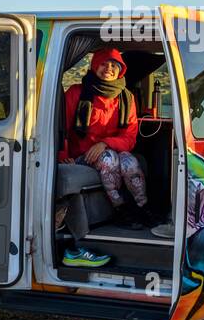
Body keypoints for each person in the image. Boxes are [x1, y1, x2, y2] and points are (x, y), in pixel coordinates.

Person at [58, 47, 160, 267]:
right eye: (104, 64)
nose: (109, 69)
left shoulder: (126, 97)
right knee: (109, 160)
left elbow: (130, 137)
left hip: (109, 149)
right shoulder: (76, 92)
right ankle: (121, 210)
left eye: (114, 65)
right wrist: (63, 155)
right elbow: (61, 128)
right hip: (81, 155)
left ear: (121, 70)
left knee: (130, 161)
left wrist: (105, 144)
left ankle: (142, 208)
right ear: (95, 65)